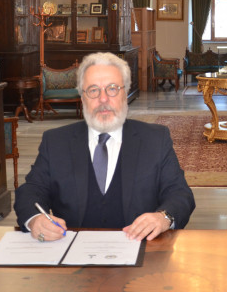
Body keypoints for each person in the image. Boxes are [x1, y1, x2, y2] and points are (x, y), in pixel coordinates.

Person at [14, 52, 195, 242]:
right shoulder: (56, 142)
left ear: (125, 93)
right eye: (93, 90)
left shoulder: (155, 139)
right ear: (82, 97)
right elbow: (31, 191)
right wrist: (35, 219)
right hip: (73, 251)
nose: (103, 99)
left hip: (142, 249)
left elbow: (180, 193)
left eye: (112, 89)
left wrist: (164, 218)